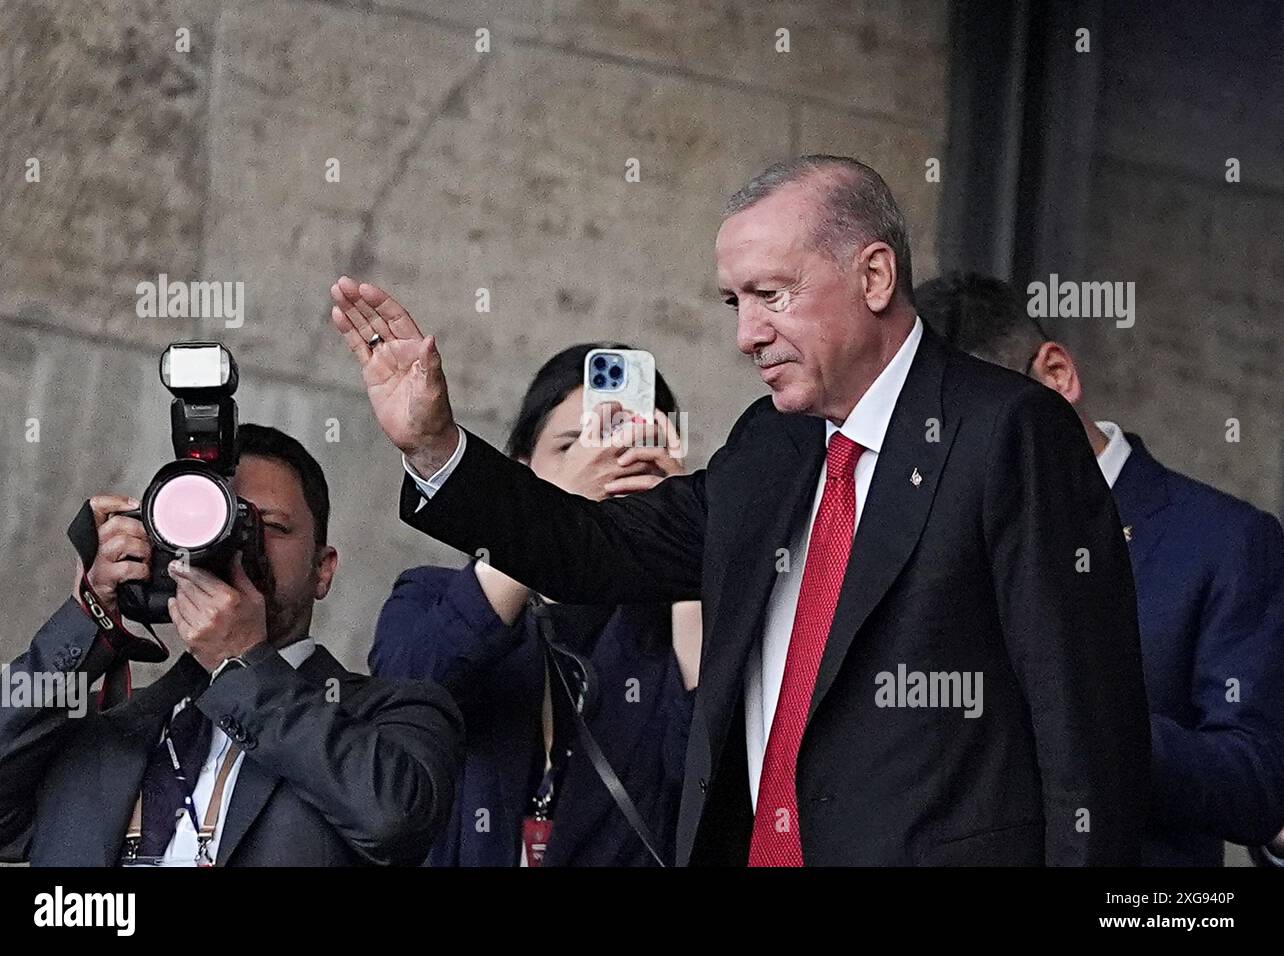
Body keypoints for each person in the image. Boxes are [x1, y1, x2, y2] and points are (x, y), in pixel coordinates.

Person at [330, 154, 1150, 866]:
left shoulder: (1009, 429)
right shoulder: (773, 443)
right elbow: (593, 548)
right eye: (734, 303)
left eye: (771, 295)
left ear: (873, 276)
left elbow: (1090, 739)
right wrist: (438, 446)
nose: (746, 335)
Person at [917, 271, 1284, 867]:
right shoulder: (917, 535)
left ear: (1056, 376)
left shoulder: (1224, 541)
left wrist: (1085, 718)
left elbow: (1258, 783)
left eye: (981, 426)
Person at [0, 424, 462, 866]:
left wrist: (243, 666)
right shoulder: (100, 737)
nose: (237, 543)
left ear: (323, 568)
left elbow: (395, 822)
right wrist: (88, 619)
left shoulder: (395, 714)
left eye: (268, 526)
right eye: (215, 520)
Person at [370, 343, 700, 866]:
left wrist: (683, 541)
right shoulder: (429, 595)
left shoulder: (684, 623)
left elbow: (706, 779)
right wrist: (547, 518)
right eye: (573, 447)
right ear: (520, 467)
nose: (605, 469)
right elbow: (404, 699)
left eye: (631, 449)